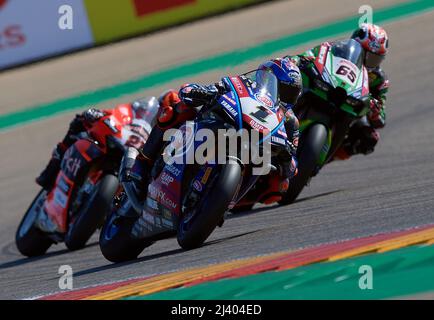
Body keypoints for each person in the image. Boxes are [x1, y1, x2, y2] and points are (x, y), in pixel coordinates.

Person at [121, 58, 303, 185]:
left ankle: (219, 199)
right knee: (176, 107)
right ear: (265, 78)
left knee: (279, 187)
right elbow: (201, 89)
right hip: (217, 128)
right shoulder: (242, 85)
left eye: (291, 93)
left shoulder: (290, 123)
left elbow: (293, 170)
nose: (285, 96)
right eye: (284, 89)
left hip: (251, 161)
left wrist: (286, 158)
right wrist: (198, 92)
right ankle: (141, 164)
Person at [285, 23, 389, 159]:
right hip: (326, 87)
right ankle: (277, 120)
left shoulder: (378, 80)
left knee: (369, 137)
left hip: (350, 107)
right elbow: (309, 56)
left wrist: (375, 109)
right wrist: (297, 60)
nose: (367, 62)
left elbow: (380, 119)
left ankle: (326, 158)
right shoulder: (334, 49)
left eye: (374, 59)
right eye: (364, 55)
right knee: (291, 80)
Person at [35, 98, 158, 190]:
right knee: (80, 122)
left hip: (137, 163)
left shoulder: (168, 136)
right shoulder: (142, 109)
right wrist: (99, 114)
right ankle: (52, 169)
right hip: (119, 142)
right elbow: (115, 113)